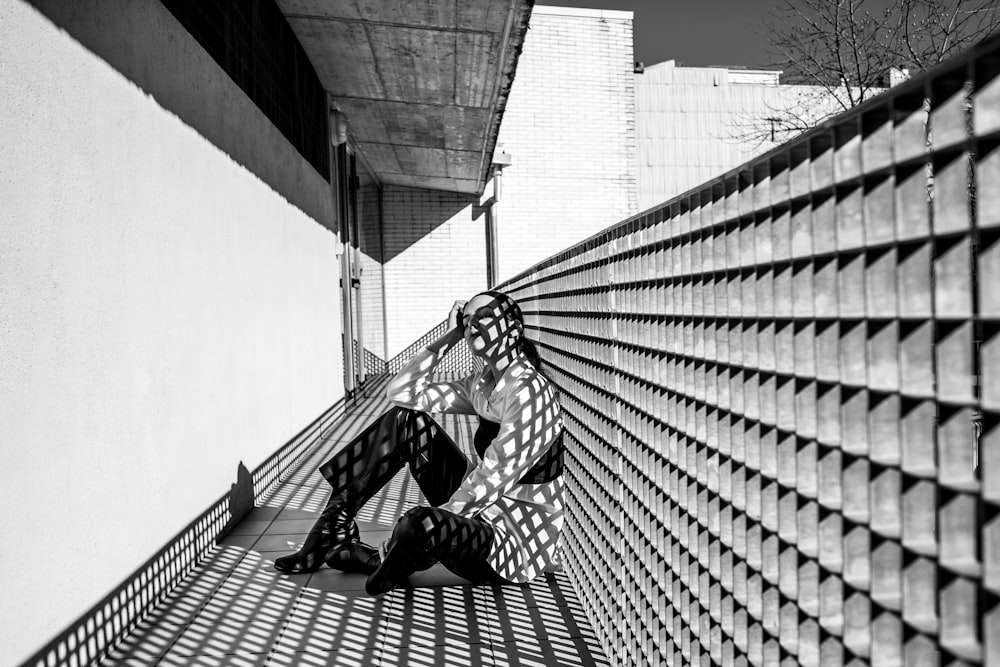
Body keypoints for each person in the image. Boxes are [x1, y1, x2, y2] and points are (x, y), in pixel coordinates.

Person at [273, 290, 565, 596]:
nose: (473, 326)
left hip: (508, 546)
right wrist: (447, 339)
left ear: (513, 329)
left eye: (485, 317)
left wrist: (434, 522)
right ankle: (331, 529)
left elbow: (492, 479)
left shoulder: (530, 393)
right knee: (404, 421)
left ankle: (382, 558)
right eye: (467, 321)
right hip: (482, 512)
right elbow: (402, 394)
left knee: (422, 524)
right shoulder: (483, 384)